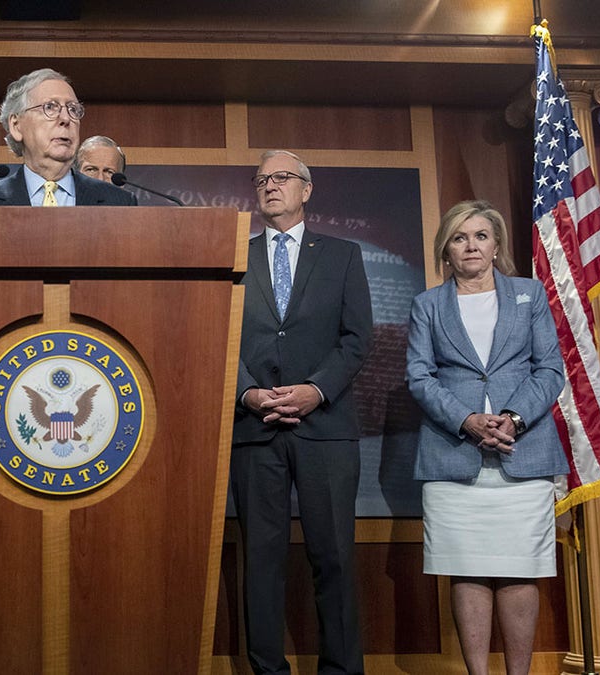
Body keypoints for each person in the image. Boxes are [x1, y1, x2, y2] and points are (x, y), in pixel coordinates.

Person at [406, 200, 565, 675]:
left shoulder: (528, 295)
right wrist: (467, 421)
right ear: (446, 250)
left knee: (520, 569)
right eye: (459, 237)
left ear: (496, 246)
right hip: (454, 453)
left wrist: (513, 418)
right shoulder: (427, 304)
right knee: (467, 566)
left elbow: (550, 368)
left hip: (524, 449)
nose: (470, 245)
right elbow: (419, 376)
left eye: (480, 236)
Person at [231, 150, 372, 675]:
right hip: (254, 427)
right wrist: (247, 393)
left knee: (333, 557)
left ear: (306, 189)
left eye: (283, 177)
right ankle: (268, 670)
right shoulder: (234, 256)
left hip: (326, 429)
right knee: (261, 564)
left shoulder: (342, 255)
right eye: (263, 179)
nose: (271, 186)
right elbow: (220, 335)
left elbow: (358, 339)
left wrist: (316, 389)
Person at [0, 68, 136, 206]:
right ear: (16, 126)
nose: (66, 119)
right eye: (50, 107)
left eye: (73, 109)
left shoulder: (120, 201)